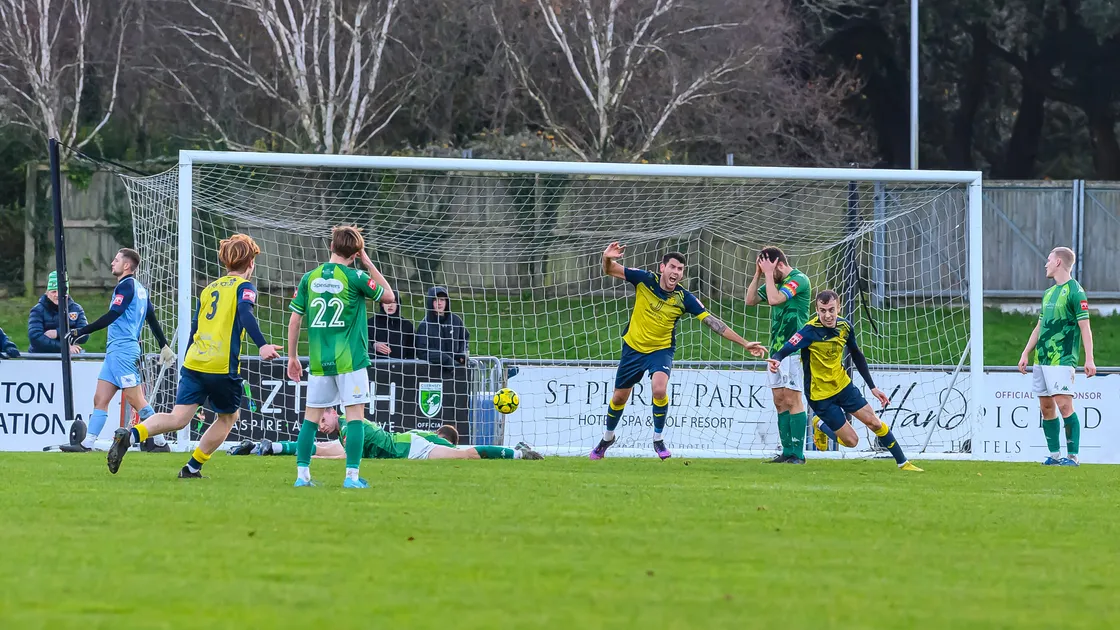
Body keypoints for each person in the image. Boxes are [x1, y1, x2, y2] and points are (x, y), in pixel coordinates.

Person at [105, 234, 283, 477]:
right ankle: (192, 467)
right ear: (251, 263)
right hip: (221, 366)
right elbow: (245, 313)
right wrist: (262, 345)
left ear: (226, 262)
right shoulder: (245, 287)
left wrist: (187, 360)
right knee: (228, 417)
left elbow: (194, 327)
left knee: (178, 417)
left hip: (194, 362)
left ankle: (131, 435)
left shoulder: (209, 289)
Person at [590, 243, 768, 460]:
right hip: (633, 349)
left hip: (661, 350)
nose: (676, 272)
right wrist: (607, 257)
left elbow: (713, 322)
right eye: (672, 267)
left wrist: (745, 343)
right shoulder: (644, 280)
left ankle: (658, 439)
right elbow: (610, 269)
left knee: (659, 389)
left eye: (680, 269)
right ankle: (607, 438)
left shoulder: (684, 298)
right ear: (662, 267)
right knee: (619, 398)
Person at [287, 225, 395, 488]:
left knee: (311, 418)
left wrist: (292, 357)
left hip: (319, 361)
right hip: (351, 360)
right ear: (356, 252)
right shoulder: (356, 276)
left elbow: (294, 320)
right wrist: (368, 262)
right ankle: (352, 478)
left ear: (331, 247)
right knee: (355, 416)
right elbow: (389, 296)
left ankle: (302, 477)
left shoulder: (309, 278)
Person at [767, 290, 923, 472]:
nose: (827, 315)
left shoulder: (845, 327)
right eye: (822, 310)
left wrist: (872, 387)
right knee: (852, 441)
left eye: (831, 310)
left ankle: (904, 463)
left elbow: (856, 354)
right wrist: (777, 358)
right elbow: (790, 345)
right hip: (820, 396)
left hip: (843, 387)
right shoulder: (809, 331)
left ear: (838, 308)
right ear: (816, 310)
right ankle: (820, 424)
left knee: (874, 422)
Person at [67, 248, 175, 452]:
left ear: (127, 265)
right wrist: (164, 345)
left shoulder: (126, 287)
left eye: (116, 260)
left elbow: (113, 314)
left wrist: (81, 330)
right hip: (115, 351)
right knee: (101, 398)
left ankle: (160, 442)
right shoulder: (140, 289)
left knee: (137, 400)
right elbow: (151, 318)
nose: (112, 263)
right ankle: (87, 443)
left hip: (123, 350)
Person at [1017, 246, 1096, 466]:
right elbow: (1040, 326)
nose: (1046, 264)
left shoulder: (1075, 291)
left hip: (1062, 358)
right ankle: (1054, 455)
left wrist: (1089, 358)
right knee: (1045, 407)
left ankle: (1072, 456)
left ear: (1059, 262)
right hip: (1041, 359)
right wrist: (1025, 352)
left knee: (1064, 406)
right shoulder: (1049, 293)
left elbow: (1085, 327)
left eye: (1049, 259)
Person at [228, 408, 544, 461]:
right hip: (408, 447)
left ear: (331, 412)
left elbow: (331, 454)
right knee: (465, 453)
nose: (316, 423)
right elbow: (322, 449)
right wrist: (271, 447)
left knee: (467, 455)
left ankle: (518, 452)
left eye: (319, 417)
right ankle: (268, 447)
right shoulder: (345, 430)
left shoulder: (353, 429)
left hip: (413, 448)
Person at [745, 246, 813, 464]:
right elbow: (750, 300)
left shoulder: (798, 279)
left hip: (794, 348)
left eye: (768, 267)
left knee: (793, 398)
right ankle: (786, 451)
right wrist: (758, 274)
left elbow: (774, 300)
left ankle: (798, 454)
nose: (765, 272)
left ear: (778, 264)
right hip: (776, 349)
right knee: (779, 400)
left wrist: (767, 273)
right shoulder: (772, 281)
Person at [28, 271, 88, 354]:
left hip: (70, 357)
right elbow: (35, 338)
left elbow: (85, 334)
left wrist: (58, 333)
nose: (57, 295)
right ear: (47, 293)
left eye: (61, 291)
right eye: (53, 291)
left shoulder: (76, 309)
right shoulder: (38, 310)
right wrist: (65, 348)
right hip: (42, 357)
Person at [415, 286, 468, 370]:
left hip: (456, 371)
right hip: (432, 372)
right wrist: (445, 359)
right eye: (435, 300)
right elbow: (422, 352)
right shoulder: (424, 325)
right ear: (430, 302)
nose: (439, 303)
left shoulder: (456, 321)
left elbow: (464, 339)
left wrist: (462, 354)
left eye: (442, 300)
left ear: (447, 302)